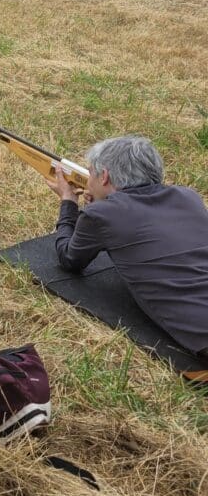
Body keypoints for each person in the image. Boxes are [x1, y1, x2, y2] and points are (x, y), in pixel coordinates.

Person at [45, 134, 208, 361]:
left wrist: (68, 202)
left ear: (104, 177)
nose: (88, 177)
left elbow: (70, 259)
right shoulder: (188, 196)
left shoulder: (101, 214)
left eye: (90, 172)